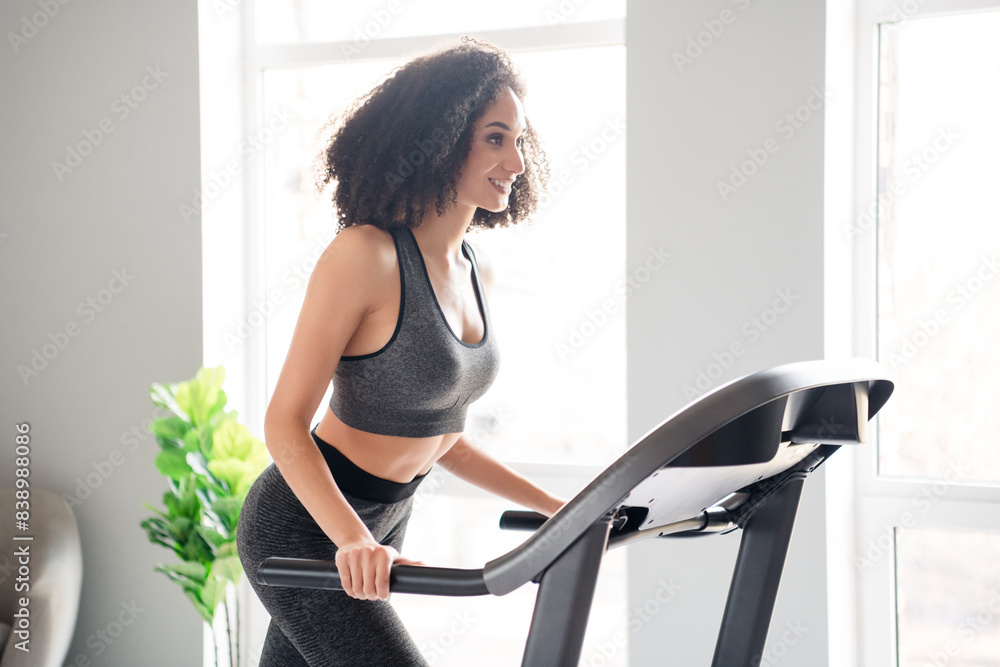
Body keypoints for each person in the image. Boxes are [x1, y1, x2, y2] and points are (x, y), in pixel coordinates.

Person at [237, 37, 566, 666]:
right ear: (439, 137)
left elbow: (443, 439)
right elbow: (284, 424)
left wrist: (564, 507)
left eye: (520, 141)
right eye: (496, 137)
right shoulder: (366, 256)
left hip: (381, 522)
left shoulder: (475, 269)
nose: (516, 161)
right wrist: (353, 540)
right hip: (306, 526)